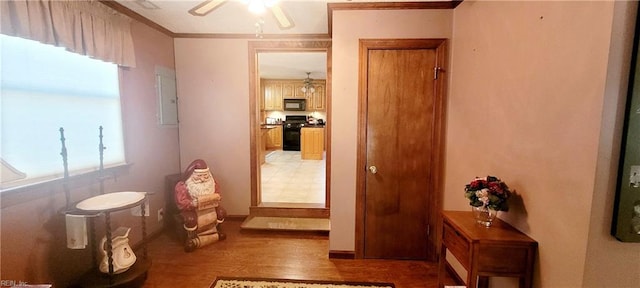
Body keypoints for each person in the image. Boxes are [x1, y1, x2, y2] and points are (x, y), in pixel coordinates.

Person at [174, 159, 226, 252]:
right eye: (198, 177)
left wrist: (217, 197)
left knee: (221, 212)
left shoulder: (213, 183)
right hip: (192, 209)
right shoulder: (183, 186)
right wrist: (191, 203)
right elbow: (181, 202)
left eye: (205, 176)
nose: (202, 179)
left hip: (210, 208)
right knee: (190, 219)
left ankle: (216, 230)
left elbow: (218, 193)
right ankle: (191, 238)